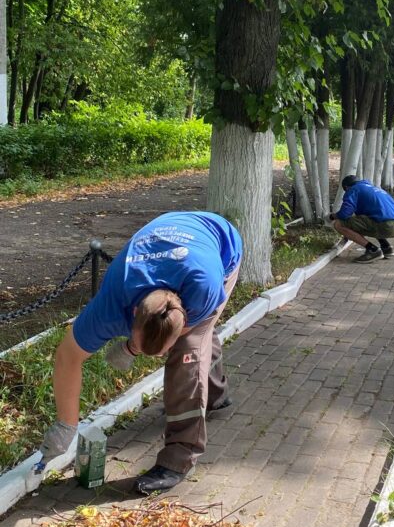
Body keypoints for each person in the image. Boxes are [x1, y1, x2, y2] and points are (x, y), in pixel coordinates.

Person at [38, 211, 242, 494]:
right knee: (195, 340)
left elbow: (189, 331)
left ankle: (179, 458)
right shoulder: (110, 305)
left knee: (188, 354)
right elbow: (68, 356)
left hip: (222, 246)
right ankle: (216, 394)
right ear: (131, 316)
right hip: (177, 238)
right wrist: (66, 425)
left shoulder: (203, 287)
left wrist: (150, 346)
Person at [329, 175, 394, 263]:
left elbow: (344, 214)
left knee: (339, 224)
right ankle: (386, 247)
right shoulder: (373, 188)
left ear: (346, 187)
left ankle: (373, 250)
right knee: (367, 219)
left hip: (387, 226)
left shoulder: (353, 189)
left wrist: (333, 216)